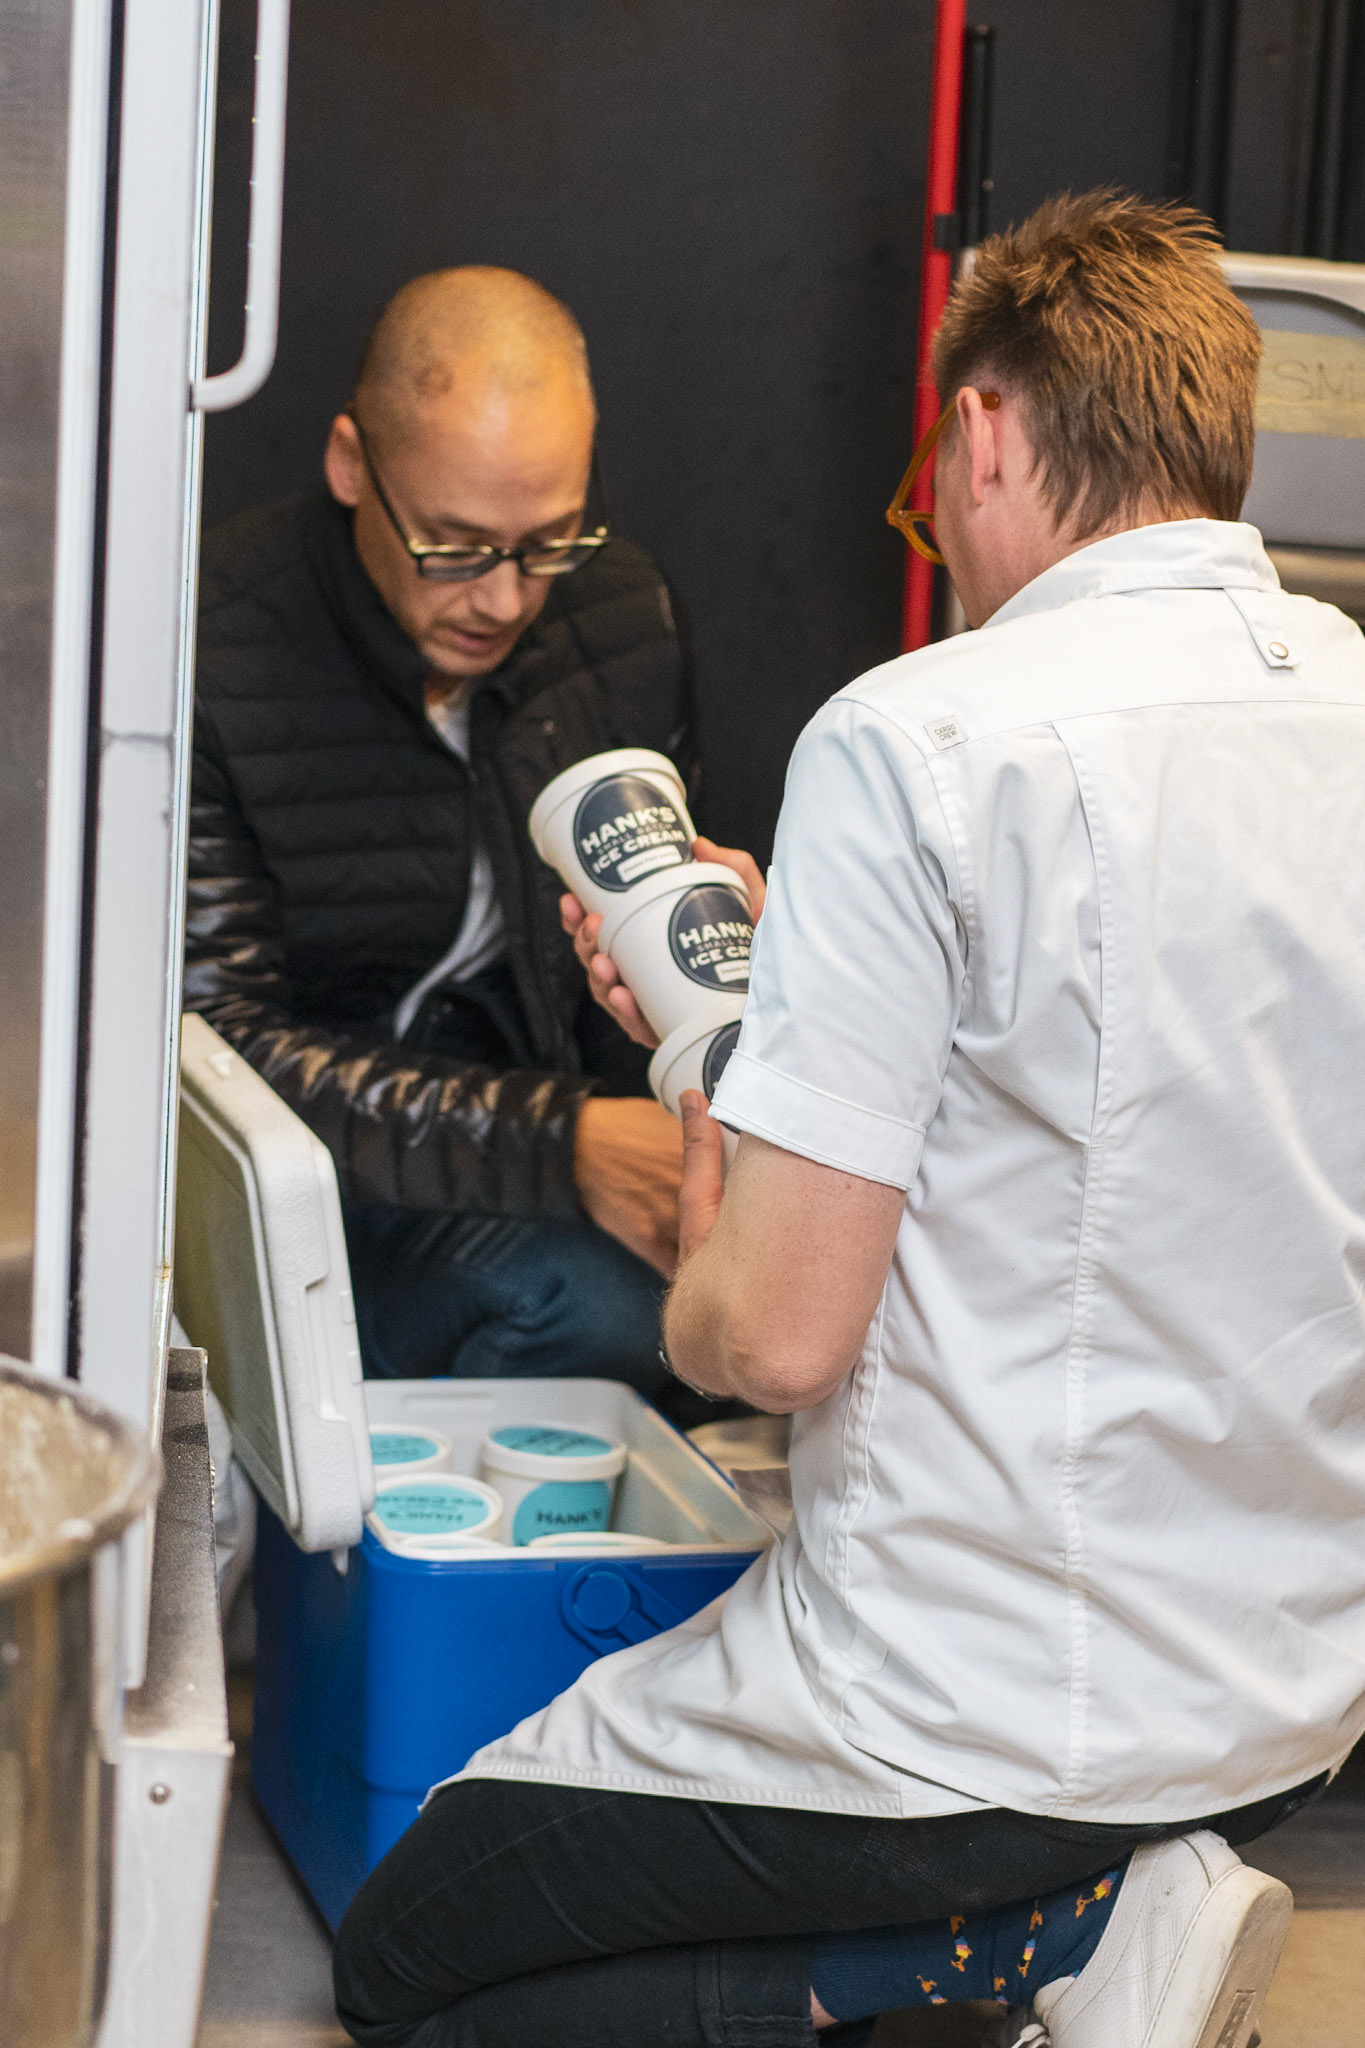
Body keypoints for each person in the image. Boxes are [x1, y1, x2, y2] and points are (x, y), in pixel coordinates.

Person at [332, 193, 1365, 2048]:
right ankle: (1090, 1909)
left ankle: (1054, 1941)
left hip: (967, 1716)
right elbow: (1113, 1088)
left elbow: (776, 1340)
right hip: (1291, 1692)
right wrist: (775, 996)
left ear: (983, 429)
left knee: (406, 1966)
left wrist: (695, 1251)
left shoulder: (919, 738)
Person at [186, 266, 744, 1400]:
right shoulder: (209, 643)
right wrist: (567, 1146)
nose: (504, 598)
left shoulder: (619, 615)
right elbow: (213, 1062)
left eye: (551, 540)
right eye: (453, 545)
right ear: (352, 464)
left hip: (539, 1140)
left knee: (752, 1292)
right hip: (310, 1190)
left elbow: (645, 956)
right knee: (598, 1311)